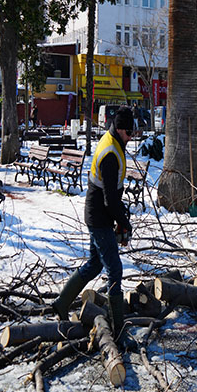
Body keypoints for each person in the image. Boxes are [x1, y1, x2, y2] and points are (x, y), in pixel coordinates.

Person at [50, 109, 134, 342]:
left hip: (99, 214)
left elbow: (112, 194)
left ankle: (61, 303)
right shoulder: (109, 152)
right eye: (129, 132)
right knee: (114, 270)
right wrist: (123, 222)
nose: (131, 136)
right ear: (119, 129)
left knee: (95, 264)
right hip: (99, 217)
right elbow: (109, 198)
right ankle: (118, 331)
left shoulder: (113, 142)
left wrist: (120, 218)